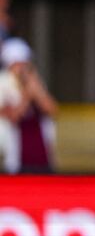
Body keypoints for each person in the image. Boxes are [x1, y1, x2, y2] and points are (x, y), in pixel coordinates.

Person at [0, 38, 59, 174]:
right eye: (18, 64)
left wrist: (35, 89)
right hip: (16, 159)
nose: (22, 68)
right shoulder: (3, 83)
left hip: (42, 156)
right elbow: (12, 116)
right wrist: (27, 95)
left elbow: (52, 109)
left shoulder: (34, 81)